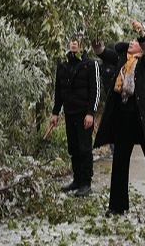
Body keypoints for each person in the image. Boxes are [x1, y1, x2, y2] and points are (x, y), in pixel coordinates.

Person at [92, 20, 145, 218]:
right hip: (123, 120)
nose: (131, 42)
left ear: (141, 46)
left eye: (135, 41)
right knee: (120, 162)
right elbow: (103, 53)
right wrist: (96, 41)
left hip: (143, 121)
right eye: (131, 40)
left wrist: (141, 31)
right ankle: (117, 206)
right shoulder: (123, 58)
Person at [50, 33, 101, 197]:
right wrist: (55, 112)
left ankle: (86, 183)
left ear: (83, 44)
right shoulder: (63, 64)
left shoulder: (90, 64)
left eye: (77, 41)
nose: (74, 43)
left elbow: (95, 90)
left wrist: (90, 113)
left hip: (84, 114)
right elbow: (58, 90)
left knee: (85, 148)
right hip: (69, 113)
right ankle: (77, 180)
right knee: (73, 148)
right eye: (71, 40)